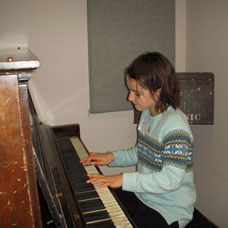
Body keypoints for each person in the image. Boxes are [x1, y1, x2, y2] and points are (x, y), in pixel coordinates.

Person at [80, 52, 196, 228]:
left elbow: (170, 180)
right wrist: (111, 157)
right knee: (96, 200)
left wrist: (123, 180)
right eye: (130, 91)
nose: (130, 98)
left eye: (137, 93)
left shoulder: (176, 128)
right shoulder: (147, 114)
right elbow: (142, 152)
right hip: (144, 195)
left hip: (169, 209)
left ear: (159, 91)